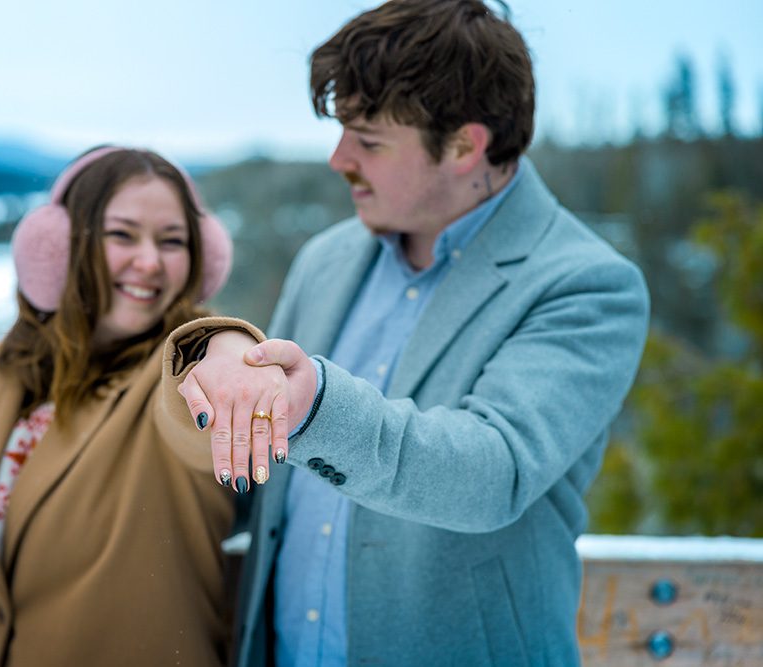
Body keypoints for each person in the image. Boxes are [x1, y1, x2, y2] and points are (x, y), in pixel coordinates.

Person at [176, 1, 651, 665]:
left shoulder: (587, 285)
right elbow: (250, 477)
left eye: (368, 141)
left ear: (464, 145)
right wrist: (207, 352)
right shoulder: (326, 260)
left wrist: (314, 406)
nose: (339, 159)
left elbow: (493, 470)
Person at [0, 145, 253, 666]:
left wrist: (228, 347)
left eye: (172, 242)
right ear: (56, 246)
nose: (149, 262)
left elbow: (205, 381)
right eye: (122, 234)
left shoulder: (181, 377)